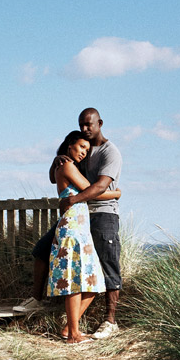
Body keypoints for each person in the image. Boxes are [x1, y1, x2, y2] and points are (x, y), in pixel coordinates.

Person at [14, 108, 123, 340]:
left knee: (102, 270)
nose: (85, 129)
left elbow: (100, 186)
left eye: (88, 125)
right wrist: (57, 159)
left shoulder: (109, 152)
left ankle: (109, 320)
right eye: (81, 126)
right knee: (46, 253)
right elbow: (62, 178)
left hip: (98, 215)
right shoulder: (70, 160)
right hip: (75, 221)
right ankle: (48, 309)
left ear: (100, 123)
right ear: (71, 145)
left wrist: (104, 195)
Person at [46, 131, 116, 343]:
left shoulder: (66, 165)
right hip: (72, 229)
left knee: (94, 281)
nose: (84, 152)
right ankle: (74, 335)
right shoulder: (66, 166)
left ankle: (70, 329)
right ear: (70, 146)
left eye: (87, 150)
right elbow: (93, 190)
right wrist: (116, 193)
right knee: (75, 280)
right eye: (81, 147)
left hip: (80, 230)